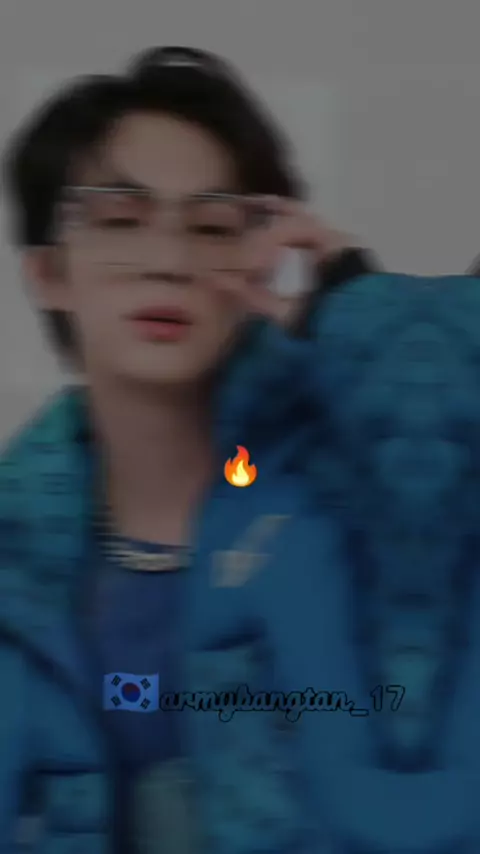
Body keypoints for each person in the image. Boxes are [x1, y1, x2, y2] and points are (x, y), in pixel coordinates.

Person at [1, 44, 479, 854]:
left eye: (213, 226)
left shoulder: (372, 504)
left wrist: (355, 313)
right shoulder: (16, 562)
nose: (169, 262)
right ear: (49, 272)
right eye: (119, 219)